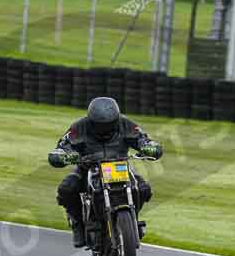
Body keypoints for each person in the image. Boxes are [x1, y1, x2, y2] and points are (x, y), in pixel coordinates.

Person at [48, 97, 163, 247]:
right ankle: (78, 224)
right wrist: (62, 155)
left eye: (109, 125)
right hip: (88, 168)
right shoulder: (79, 127)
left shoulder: (126, 124)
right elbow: (63, 145)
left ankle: (132, 220)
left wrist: (150, 147)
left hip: (120, 167)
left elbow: (143, 139)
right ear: (90, 121)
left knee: (143, 189)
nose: (104, 130)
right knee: (66, 189)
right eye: (99, 126)